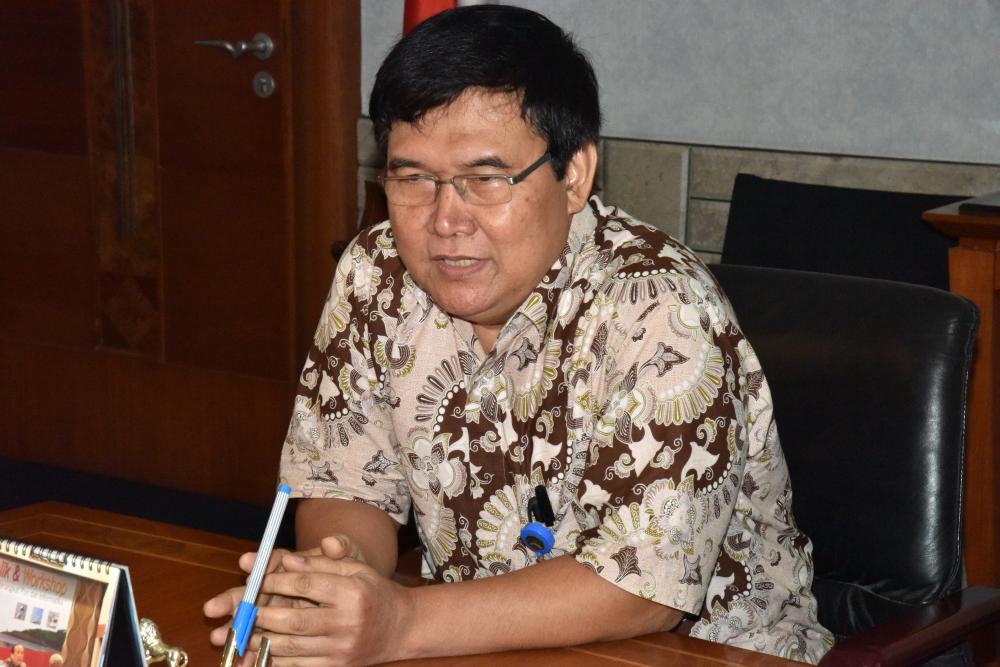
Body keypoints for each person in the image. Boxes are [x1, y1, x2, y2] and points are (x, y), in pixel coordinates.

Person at [204, 5, 833, 664]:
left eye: (485, 179)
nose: (445, 219)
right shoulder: (375, 273)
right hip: (471, 646)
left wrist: (399, 621)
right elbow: (345, 485)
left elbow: (644, 590)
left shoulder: (659, 309)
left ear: (574, 175)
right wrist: (340, 584)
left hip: (707, 655)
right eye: (412, 178)